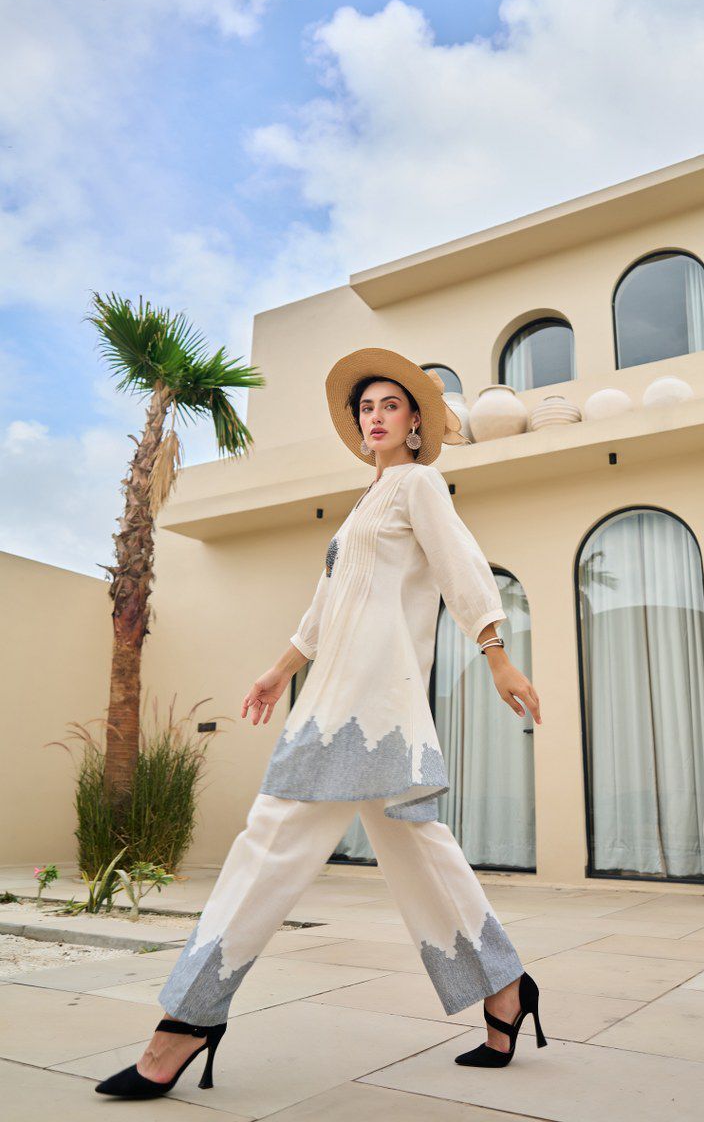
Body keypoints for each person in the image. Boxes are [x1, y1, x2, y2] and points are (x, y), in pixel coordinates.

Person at [95, 346, 546, 1100]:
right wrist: (280, 670)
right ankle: (506, 988)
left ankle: (186, 1020)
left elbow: (462, 563)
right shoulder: (366, 504)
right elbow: (325, 602)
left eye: (390, 406)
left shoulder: (418, 484)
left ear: (416, 422)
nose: (375, 417)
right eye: (366, 407)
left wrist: (495, 652)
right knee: (417, 850)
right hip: (334, 693)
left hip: (369, 706)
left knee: (271, 838)